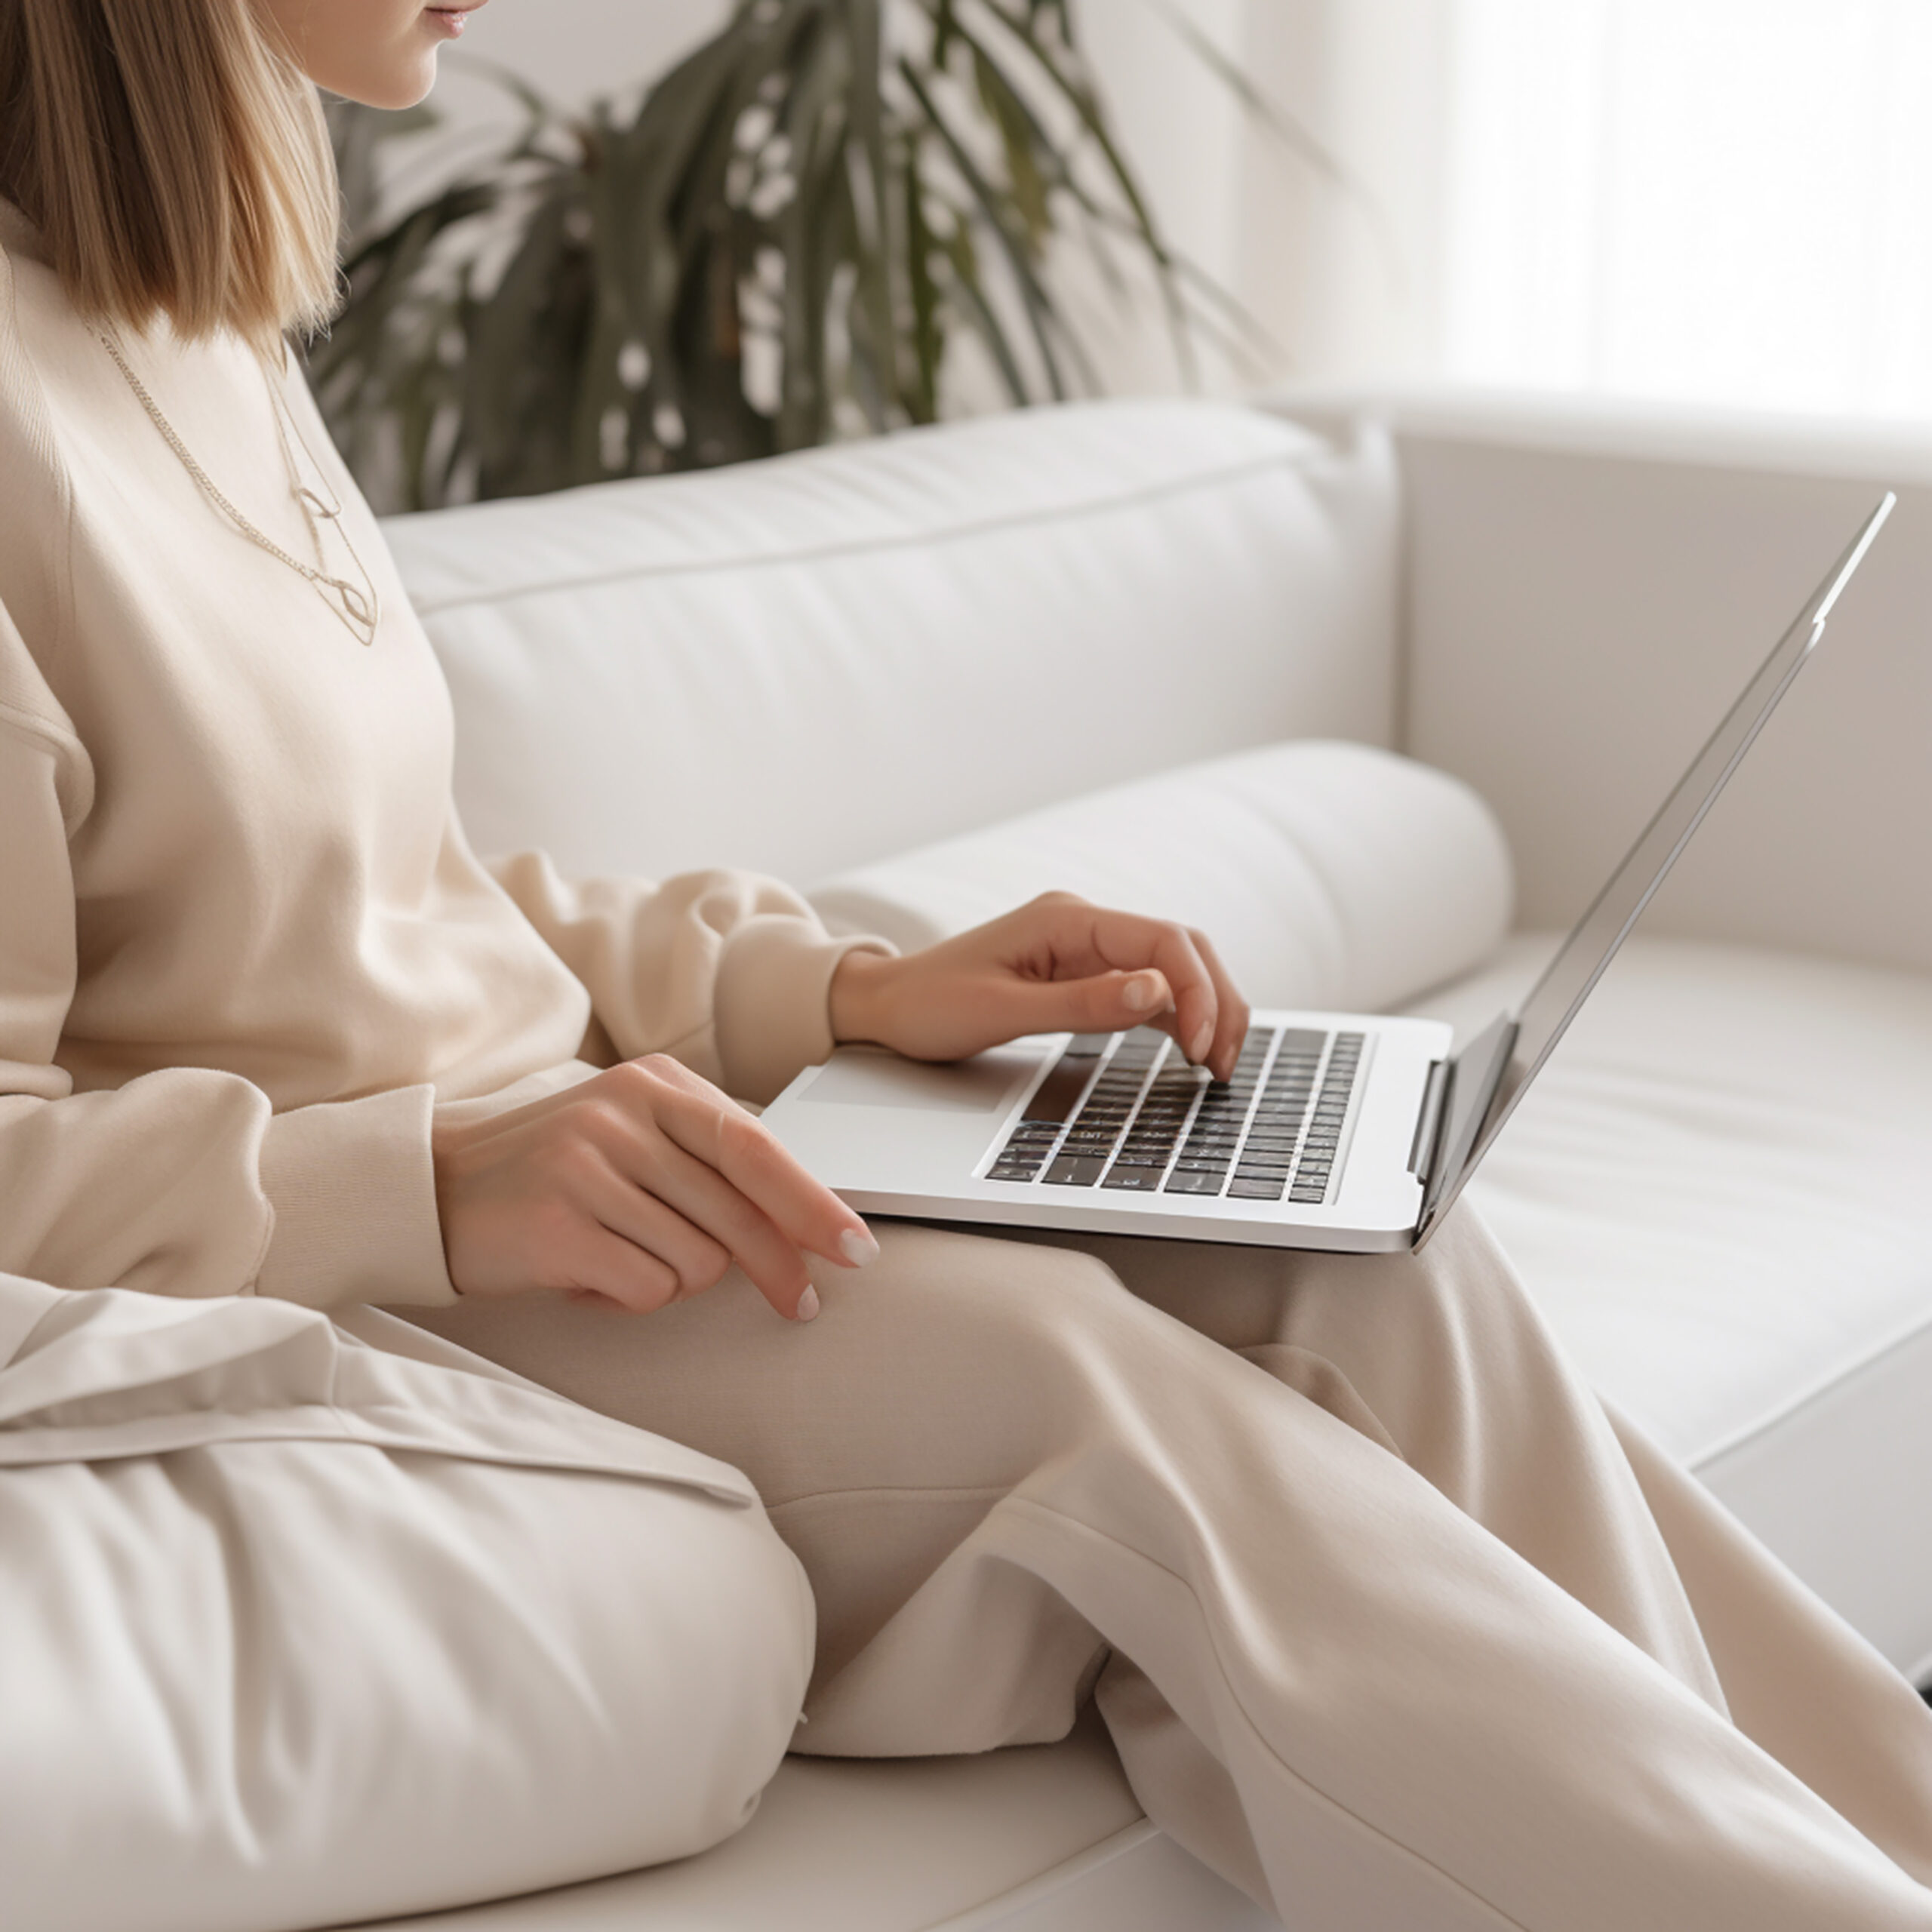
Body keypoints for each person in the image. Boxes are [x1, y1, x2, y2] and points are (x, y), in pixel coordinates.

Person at [2, 2, 1930, 1928]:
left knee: (1366, 1256)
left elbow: (393, 887)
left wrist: (839, 991)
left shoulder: (193, 301)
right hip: (396, 1299)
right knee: (1097, 1402)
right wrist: (426, 1179)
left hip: (599, 1172)